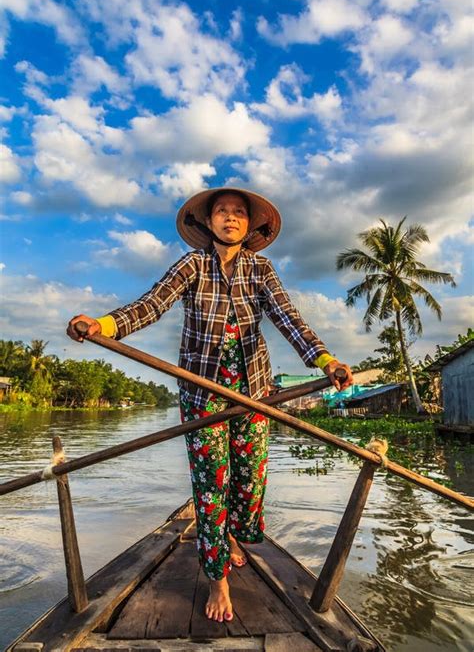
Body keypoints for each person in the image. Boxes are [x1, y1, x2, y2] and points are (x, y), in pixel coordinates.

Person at [67, 188, 353, 622]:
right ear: (208, 222)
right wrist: (101, 324)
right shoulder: (192, 265)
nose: (231, 217)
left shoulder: (261, 269)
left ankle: (234, 535)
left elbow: (288, 320)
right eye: (223, 211)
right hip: (203, 396)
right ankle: (217, 576)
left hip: (251, 393)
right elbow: (151, 305)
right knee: (211, 487)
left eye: (239, 212)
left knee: (249, 483)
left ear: (251, 225)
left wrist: (326, 360)